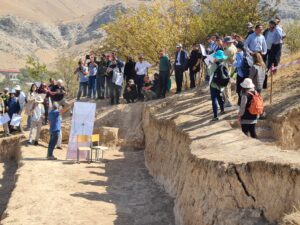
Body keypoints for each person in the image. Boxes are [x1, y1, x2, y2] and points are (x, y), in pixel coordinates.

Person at [208, 50, 228, 121]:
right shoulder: (224, 63)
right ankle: (222, 110)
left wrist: (209, 65)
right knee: (220, 97)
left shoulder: (214, 64)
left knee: (214, 99)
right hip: (222, 85)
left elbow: (209, 73)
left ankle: (215, 116)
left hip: (214, 84)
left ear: (217, 57)